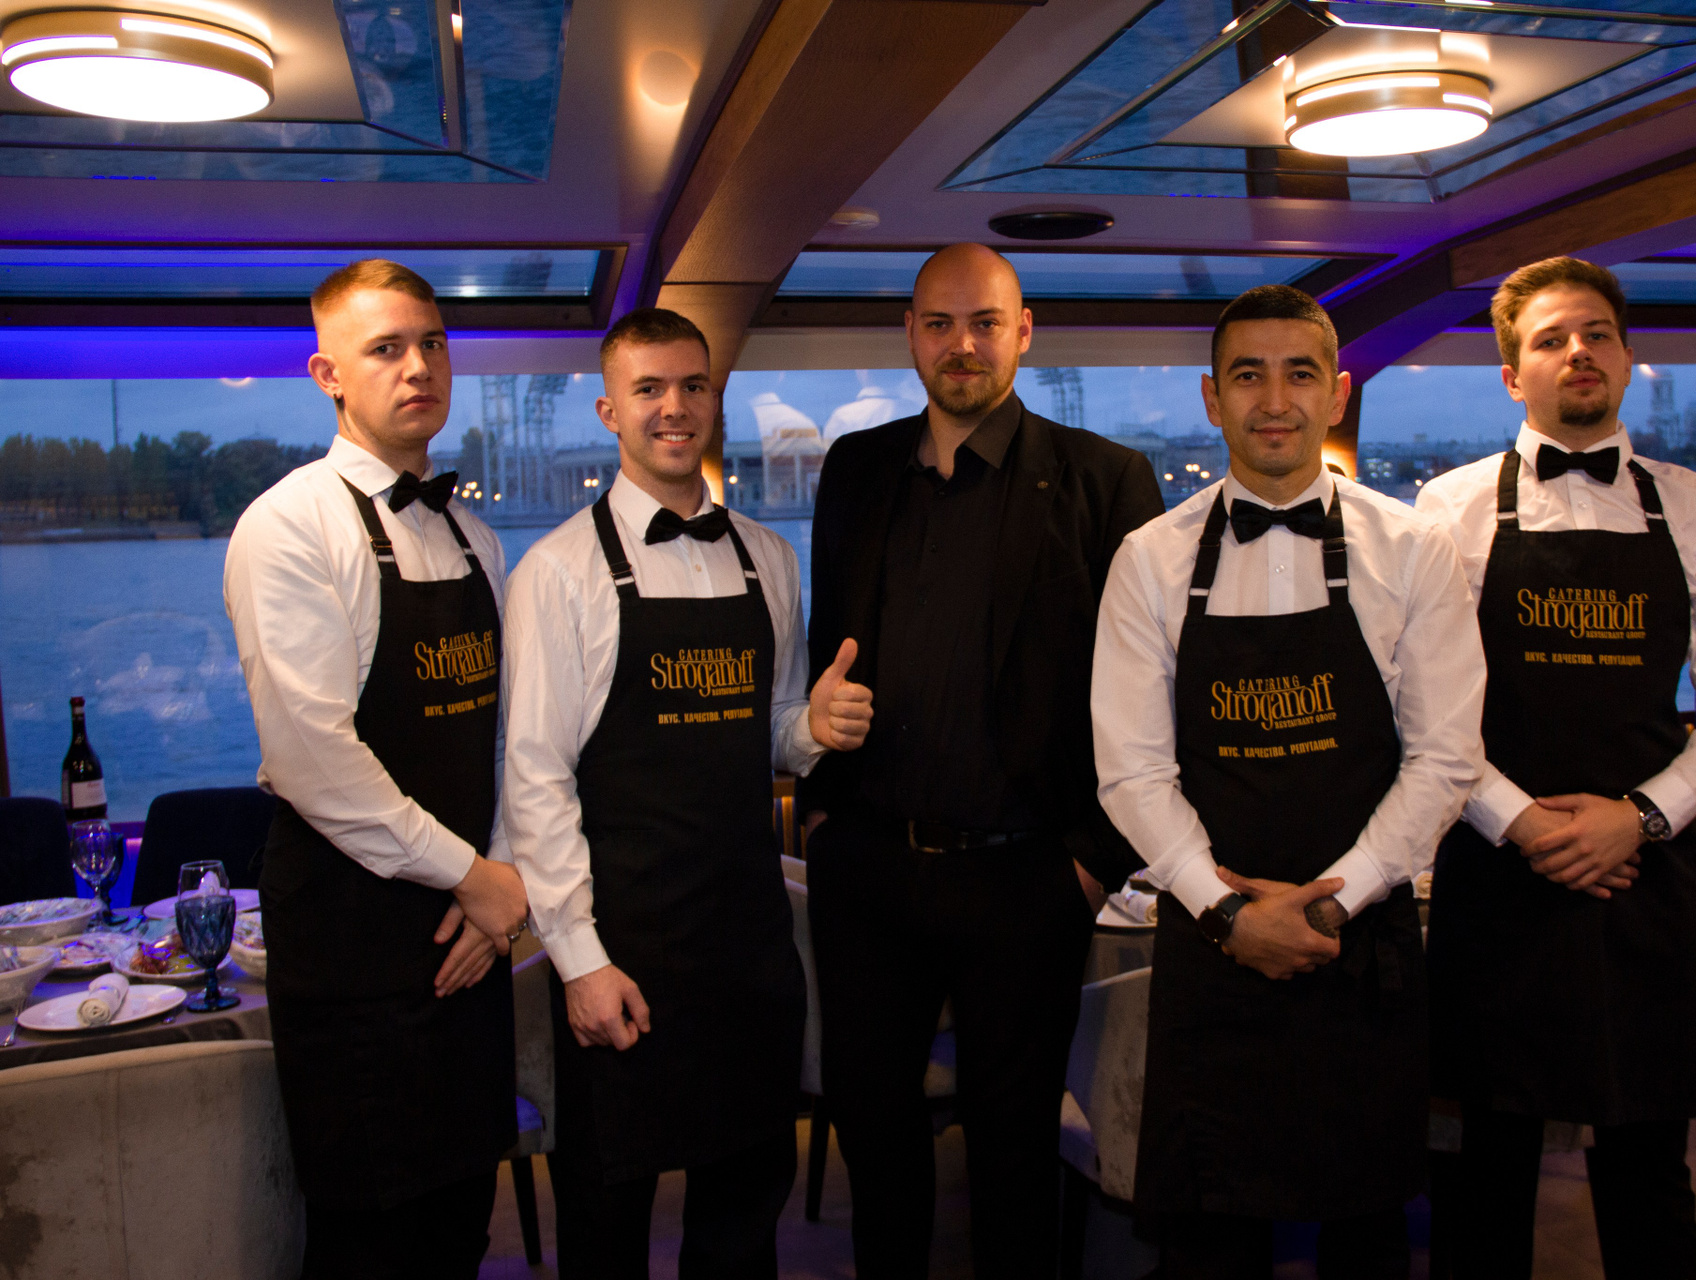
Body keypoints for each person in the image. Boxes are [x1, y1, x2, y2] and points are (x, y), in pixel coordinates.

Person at [1092, 284, 1486, 1279]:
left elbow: (1445, 756)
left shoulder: (1414, 549)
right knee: (1208, 1250)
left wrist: (1333, 902)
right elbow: (1131, 770)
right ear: (1211, 398)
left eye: (1300, 373)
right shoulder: (1148, 560)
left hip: (1360, 952)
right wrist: (1228, 913)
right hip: (1211, 955)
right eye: (1248, 376)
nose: (1275, 400)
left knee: (1366, 1244)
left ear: (1338, 393)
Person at [1415, 256, 1696, 1279]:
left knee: (1648, 1163)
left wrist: (1643, 814)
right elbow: (1420, 704)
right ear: (1512, 375)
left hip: (1643, 875)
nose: (1578, 351)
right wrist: (1520, 821)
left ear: (1627, 360)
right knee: (1484, 1168)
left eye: (1597, 334)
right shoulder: (1449, 508)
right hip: (1499, 873)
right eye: (1551, 339)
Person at [801, 242, 1164, 1277]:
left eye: (984, 322)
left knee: (1015, 1154)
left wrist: (1091, 861)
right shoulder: (856, 468)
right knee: (877, 1143)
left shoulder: (1105, 479)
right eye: (939, 324)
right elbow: (830, 644)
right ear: (911, 335)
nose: (961, 345)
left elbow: (1149, 688)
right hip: (869, 867)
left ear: (1023, 331)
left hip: (1028, 877)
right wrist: (823, 818)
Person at [499, 308, 874, 1276]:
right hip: (623, 953)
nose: (675, 407)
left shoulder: (768, 558)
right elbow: (535, 782)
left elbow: (772, 726)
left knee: (744, 1225)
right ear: (610, 410)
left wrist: (814, 726)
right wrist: (580, 962)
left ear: (716, 399)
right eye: (650, 389)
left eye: (693, 385)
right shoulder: (556, 572)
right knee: (606, 1226)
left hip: (748, 950)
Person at [225, 259, 527, 1278]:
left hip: (468, 938)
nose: (418, 367)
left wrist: (499, 886)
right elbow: (315, 759)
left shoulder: (474, 535)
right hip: (352, 940)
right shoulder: (287, 525)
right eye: (386, 348)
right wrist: (476, 877)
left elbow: (505, 737)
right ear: (328, 375)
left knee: (459, 1225)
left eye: (432, 343)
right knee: (369, 1241)